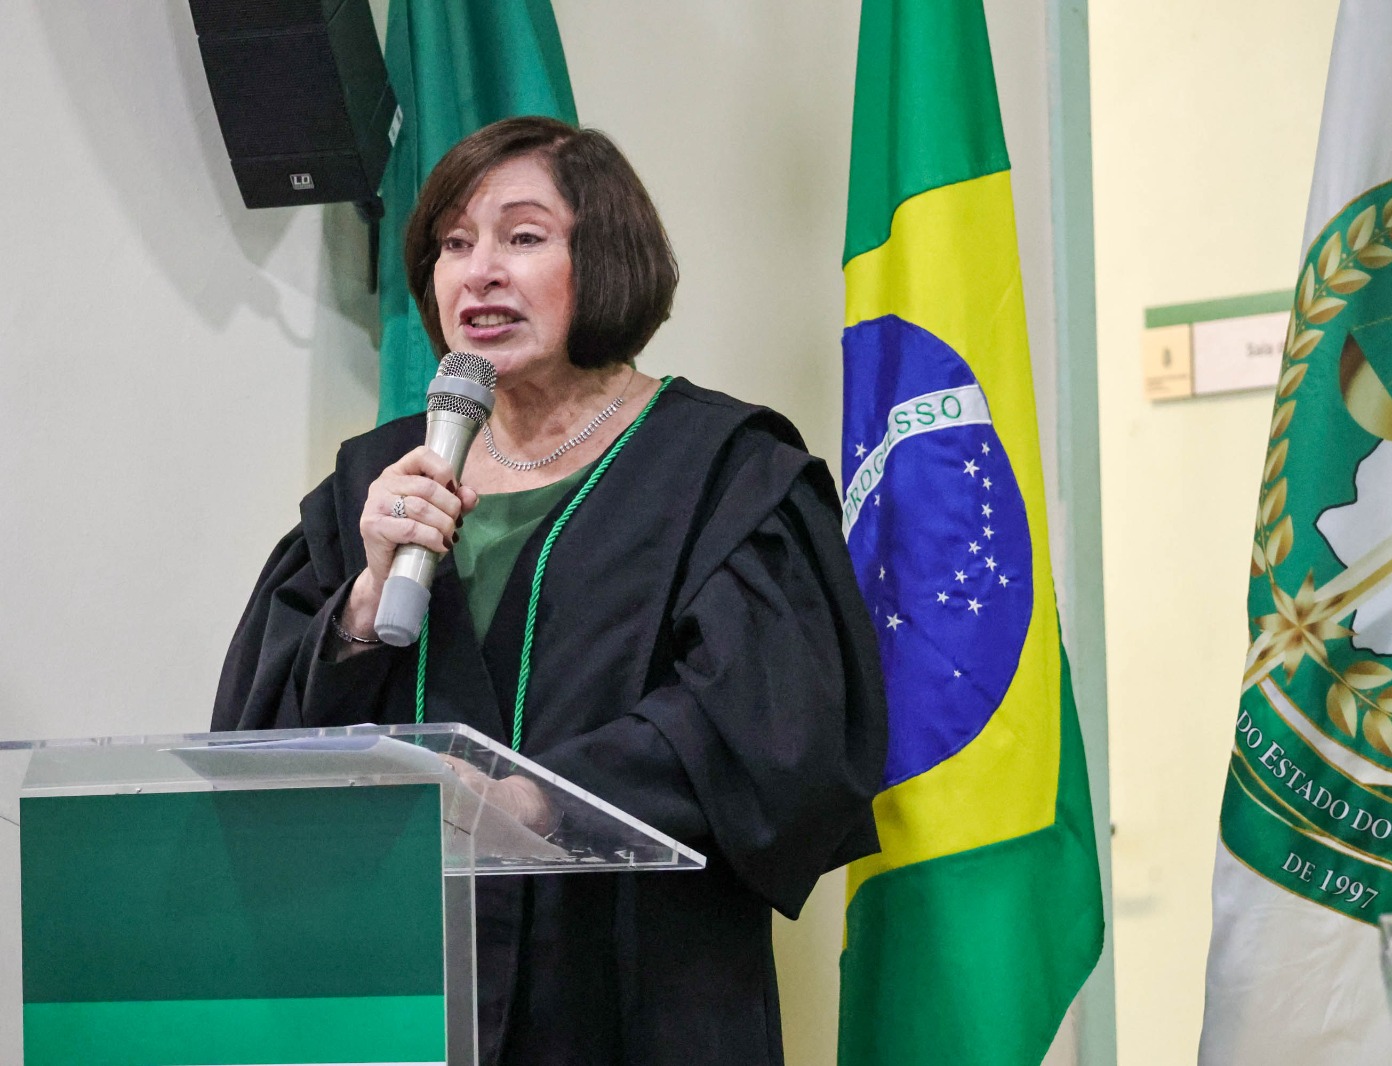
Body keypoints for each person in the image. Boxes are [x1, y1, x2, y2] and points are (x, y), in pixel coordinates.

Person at [213, 116, 887, 1065]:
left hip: (633, 993)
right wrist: (364, 599)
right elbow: (253, 750)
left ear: (606, 261)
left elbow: (773, 730)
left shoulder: (723, 469)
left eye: (522, 237)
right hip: (408, 992)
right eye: (453, 244)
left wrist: (538, 801)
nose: (479, 272)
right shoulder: (379, 477)